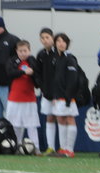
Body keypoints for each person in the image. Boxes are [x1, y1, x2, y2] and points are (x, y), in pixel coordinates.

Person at [5, 40, 40, 154]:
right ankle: (16, 146)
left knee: (32, 125)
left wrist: (33, 73)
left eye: (25, 51)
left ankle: (36, 148)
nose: (23, 53)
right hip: (14, 98)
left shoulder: (33, 62)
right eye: (20, 51)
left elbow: (38, 76)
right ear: (16, 51)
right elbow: (10, 72)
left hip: (29, 99)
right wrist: (24, 72)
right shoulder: (12, 61)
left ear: (29, 51)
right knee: (15, 124)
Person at [51, 33, 79, 158]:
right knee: (60, 119)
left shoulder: (70, 58)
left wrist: (68, 96)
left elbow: (73, 79)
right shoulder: (56, 58)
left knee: (70, 119)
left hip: (67, 96)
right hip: (58, 96)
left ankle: (70, 150)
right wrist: (54, 96)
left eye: (63, 41)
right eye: (58, 41)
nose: (61, 43)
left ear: (67, 44)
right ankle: (63, 148)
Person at [35, 27, 58, 155]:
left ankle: (66, 148)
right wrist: (41, 86)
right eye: (42, 38)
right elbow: (37, 73)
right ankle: (51, 147)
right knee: (49, 118)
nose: (45, 40)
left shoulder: (59, 53)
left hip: (59, 94)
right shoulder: (41, 54)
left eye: (47, 37)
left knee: (62, 119)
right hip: (46, 93)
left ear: (52, 38)